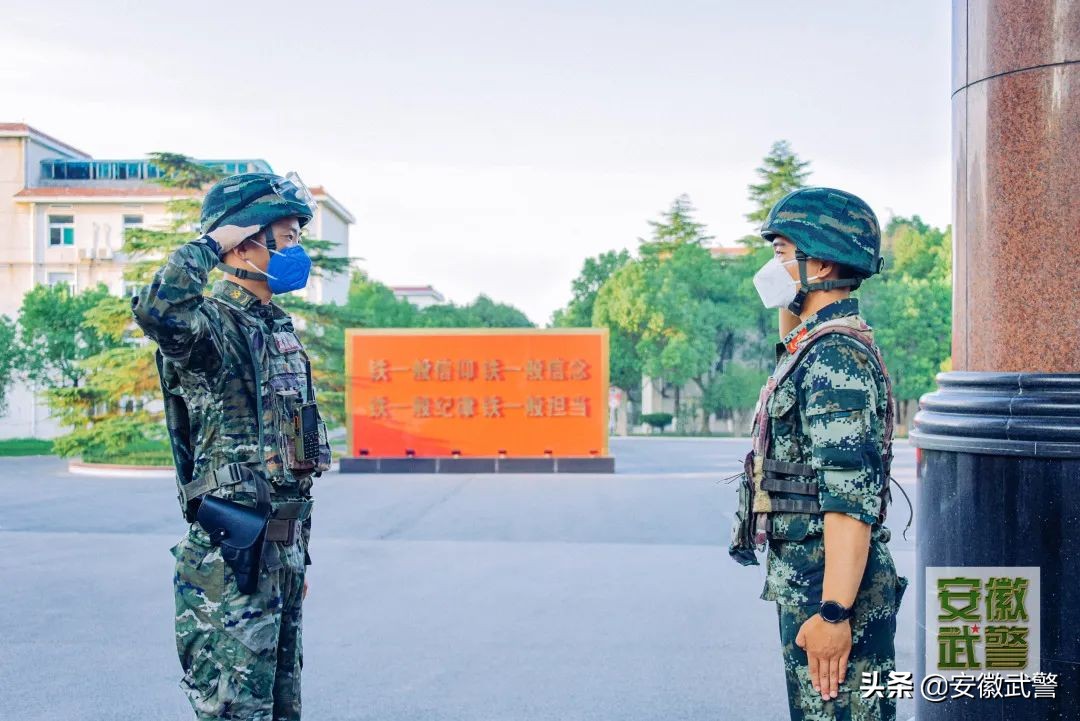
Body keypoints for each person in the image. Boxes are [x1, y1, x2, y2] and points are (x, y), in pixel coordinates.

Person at [133, 171, 332, 720]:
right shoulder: (212, 329)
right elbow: (158, 310)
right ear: (244, 244)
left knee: (281, 711)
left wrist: (295, 560)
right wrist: (210, 243)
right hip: (232, 560)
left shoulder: (274, 327)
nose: (296, 250)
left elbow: (291, 462)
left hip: (277, 557)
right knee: (236, 714)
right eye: (286, 237)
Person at [729, 187, 908, 720]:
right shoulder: (814, 347)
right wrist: (793, 296)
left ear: (823, 263)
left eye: (781, 252)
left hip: (830, 592)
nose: (772, 267)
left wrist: (833, 614)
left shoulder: (835, 359)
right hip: (813, 583)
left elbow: (848, 497)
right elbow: (789, 344)